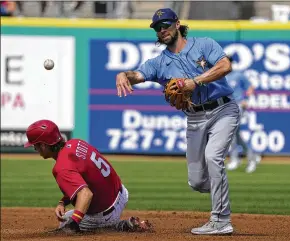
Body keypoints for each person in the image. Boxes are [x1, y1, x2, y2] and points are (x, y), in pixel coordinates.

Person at [115, 8, 240, 235]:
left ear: (177, 24)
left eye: (166, 24)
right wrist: (124, 74)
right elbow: (138, 75)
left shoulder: (203, 45)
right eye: (157, 27)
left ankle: (221, 220)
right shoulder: (159, 63)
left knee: (213, 157)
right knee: (196, 181)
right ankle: (220, 191)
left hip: (223, 109)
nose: (162, 30)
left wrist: (195, 82)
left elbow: (225, 66)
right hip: (194, 117)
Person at [24, 119, 151, 234]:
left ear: (43, 145)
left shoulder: (61, 168)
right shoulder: (76, 143)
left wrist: (73, 224)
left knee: (66, 221)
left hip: (107, 211)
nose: (35, 148)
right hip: (121, 194)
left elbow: (86, 194)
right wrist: (63, 202)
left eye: (35, 145)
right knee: (72, 215)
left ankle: (120, 226)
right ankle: (111, 223)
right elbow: (87, 178)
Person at [225, 56, 261, 173]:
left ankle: (236, 159)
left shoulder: (238, 75)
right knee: (236, 135)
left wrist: (246, 99)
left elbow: (250, 87)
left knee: (231, 132)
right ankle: (252, 157)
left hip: (238, 105)